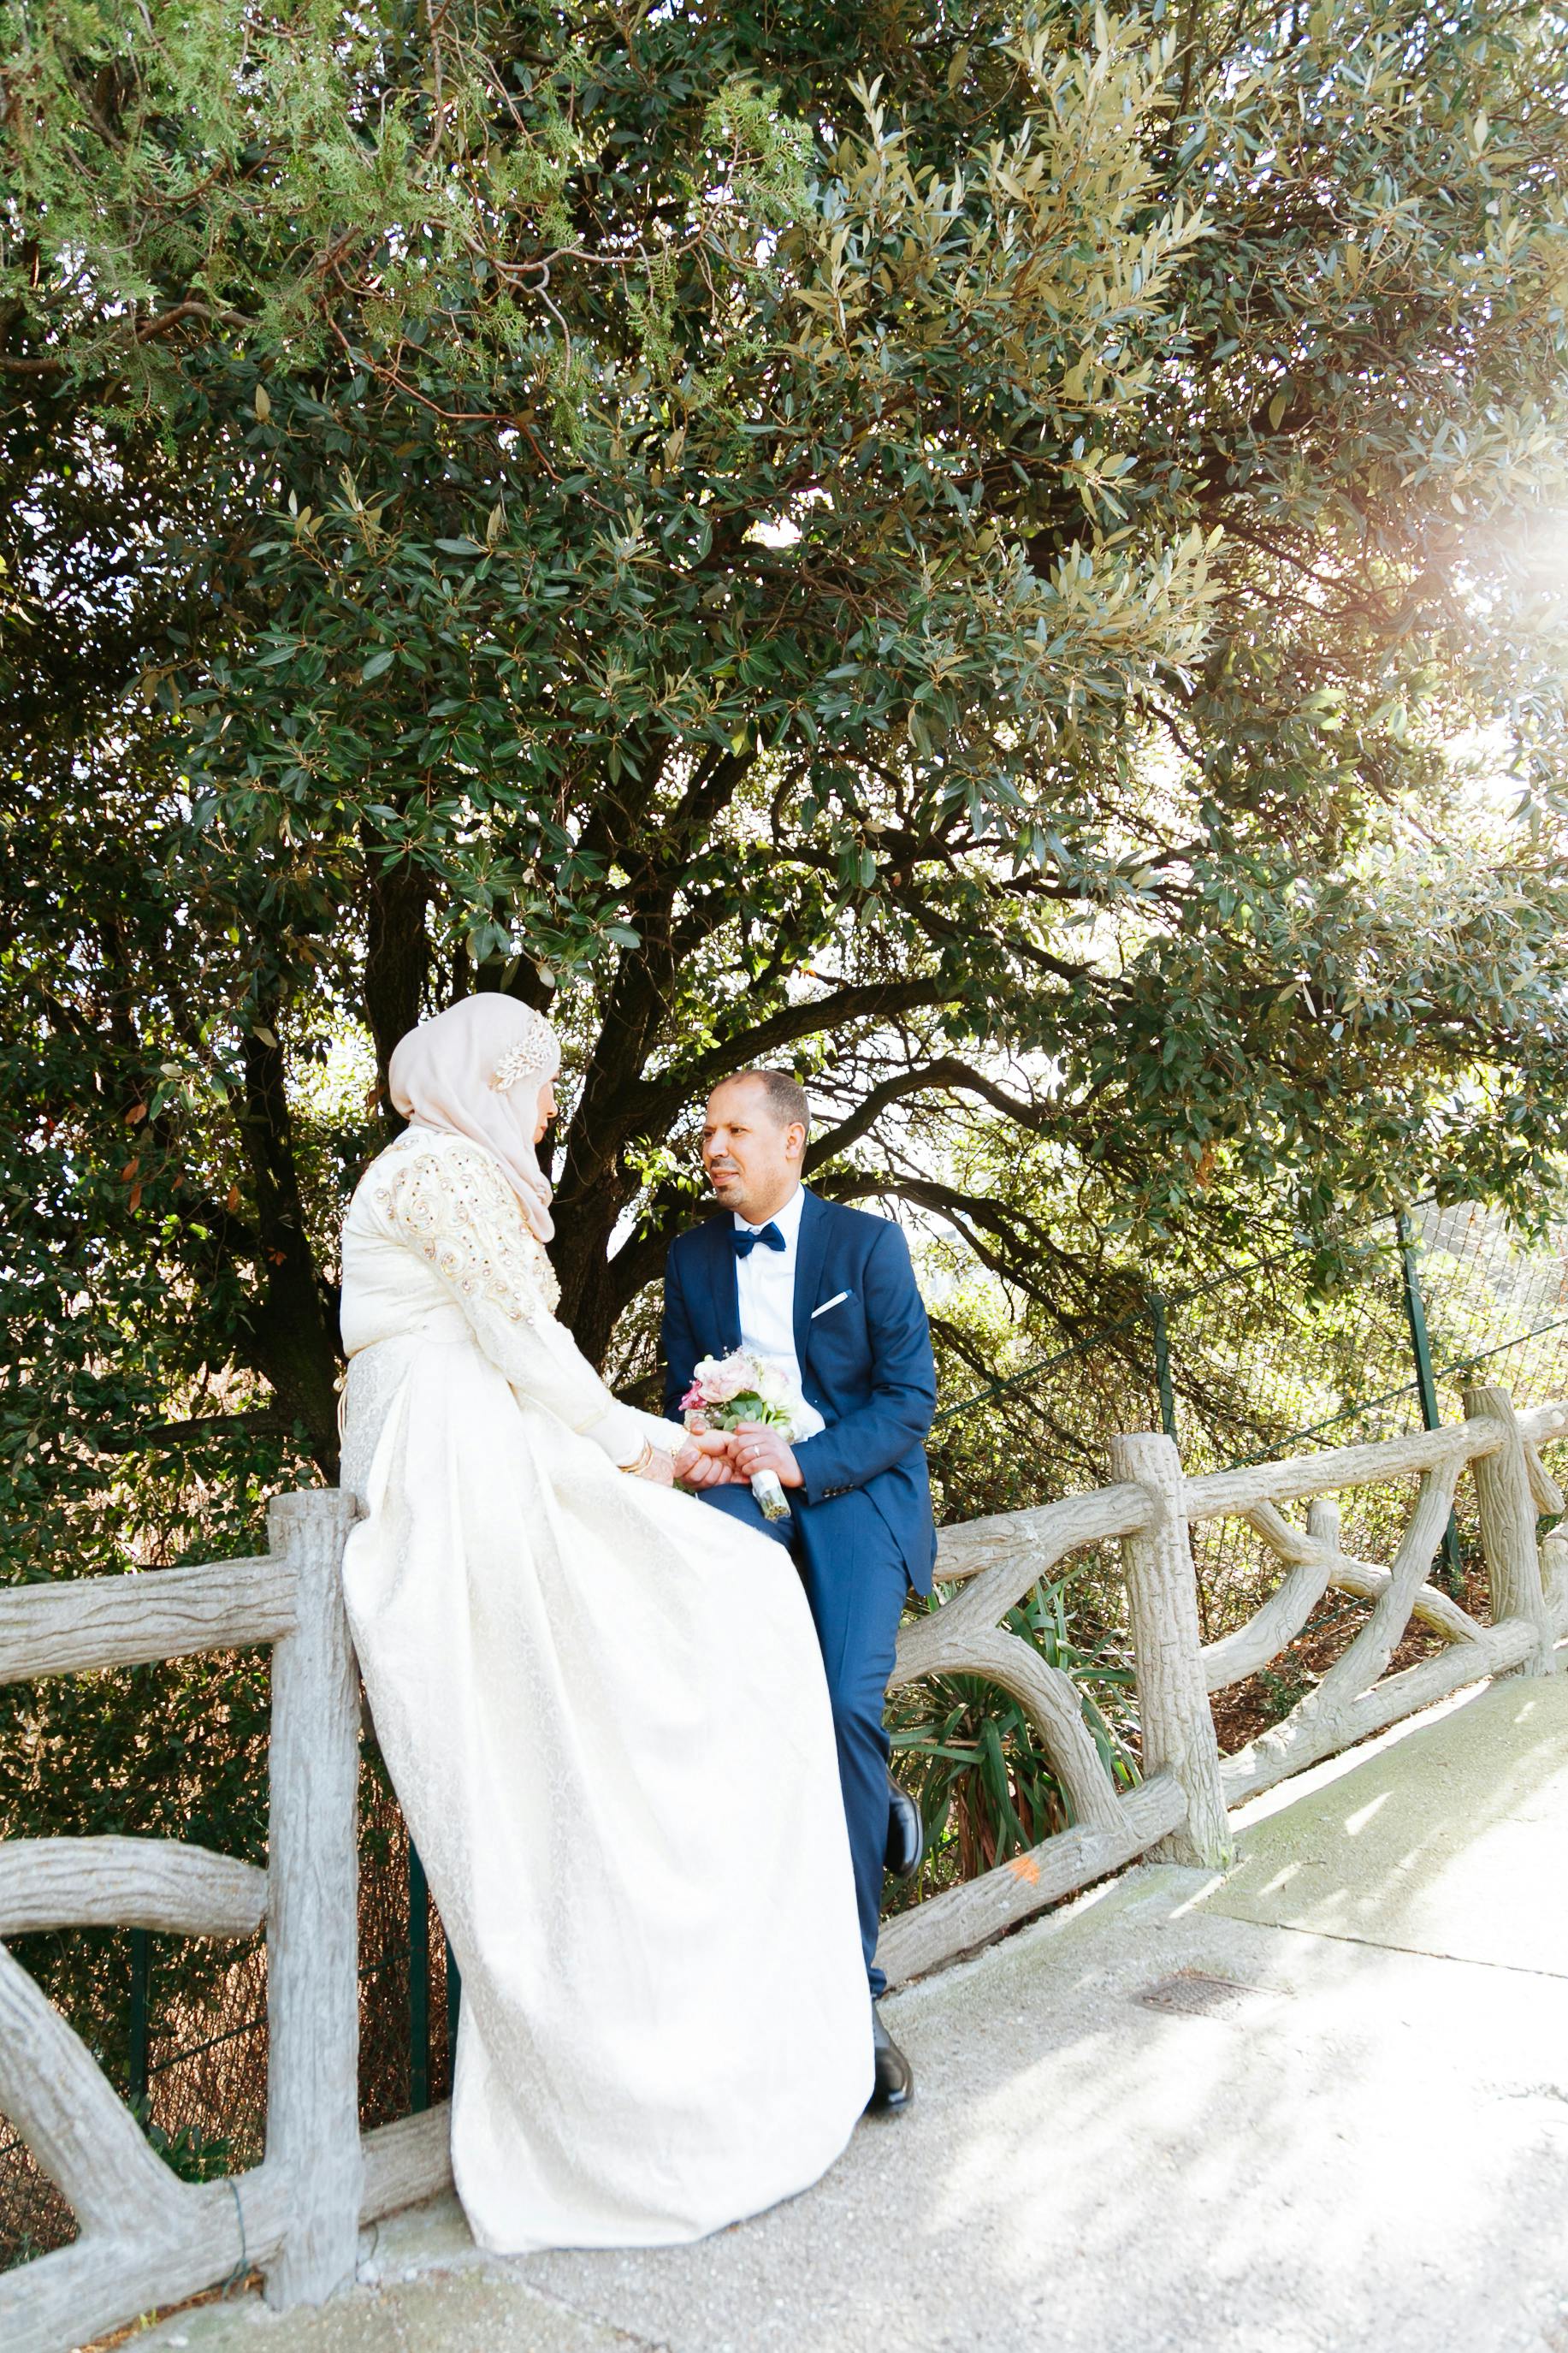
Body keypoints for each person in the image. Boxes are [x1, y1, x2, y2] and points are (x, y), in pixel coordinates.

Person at [336, 997, 871, 2256]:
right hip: (460, 1455)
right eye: (537, 1083)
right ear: (488, 1078)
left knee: (718, 1604)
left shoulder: (448, 1173)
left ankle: (732, 1993)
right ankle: (644, 2062)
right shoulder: (444, 1173)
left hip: (492, 1434)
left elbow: (526, 1350)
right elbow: (527, 1345)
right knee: (699, 1607)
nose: (548, 1107)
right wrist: (656, 1445)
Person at [662, 1070, 938, 2111]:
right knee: (739, 1703)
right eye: (707, 1132)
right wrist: (722, 1439)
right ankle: (864, 1828)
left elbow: (909, 1402)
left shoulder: (867, 1246)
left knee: (841, 1707)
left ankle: (854, 1996)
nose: (715, 1147)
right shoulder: (690, 1260)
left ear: (794, 1143)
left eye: (736, 1130)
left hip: (853, 1490)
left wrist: (803, 1457)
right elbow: (682, 1395)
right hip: (739, 1500)